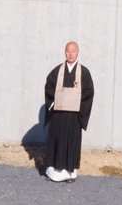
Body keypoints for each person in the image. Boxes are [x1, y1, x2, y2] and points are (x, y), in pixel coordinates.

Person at [43, 40, 93, 182]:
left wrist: (81, 111)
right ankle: (53, 171)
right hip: (58, 114)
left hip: (74, 117)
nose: (70, 54)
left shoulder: (84, 72)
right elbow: (49, 87)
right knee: (57, 141)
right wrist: (52, 103)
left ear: (78, 53)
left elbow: (89, 93)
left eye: (73, 51)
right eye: (68, 51)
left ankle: (70, 172)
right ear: (64, 52)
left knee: (71, 142)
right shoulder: (57, 71)